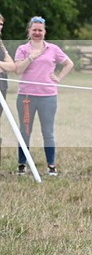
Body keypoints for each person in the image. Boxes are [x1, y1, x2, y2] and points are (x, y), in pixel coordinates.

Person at [14, 16, 74, 176]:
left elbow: (69, 63)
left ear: (44, 31)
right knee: (25, 131)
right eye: (34, 30)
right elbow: (18, 69)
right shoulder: (22, 49)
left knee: (48, 132)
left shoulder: (53, 49)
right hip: (26, 97)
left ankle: (51, 166)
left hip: (48, 97)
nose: (37, 33)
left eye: (40, 30)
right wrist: (31, 57)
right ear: (29, 31)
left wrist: (59, 78)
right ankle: (22, 164)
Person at [0, 14, 16, 153]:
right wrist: (4, 65)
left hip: (2, 87)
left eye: (1, 25)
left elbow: (12, 66)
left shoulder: (1, 44)